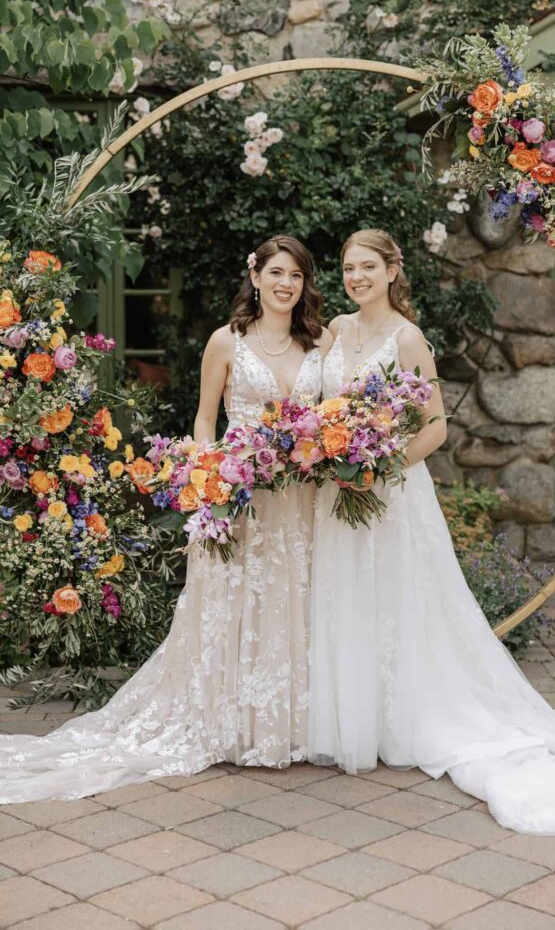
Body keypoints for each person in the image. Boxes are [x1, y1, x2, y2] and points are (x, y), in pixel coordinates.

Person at [307, 227, 555, 836]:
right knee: (344, 592)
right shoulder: (337, 331)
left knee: (397, 597)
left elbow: (436, 427)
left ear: (393, 270)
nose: (356, 277)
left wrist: (378, 466)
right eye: (347, 268)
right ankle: (351, 716)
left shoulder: (408, 338)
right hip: (337, 488)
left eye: (367, 266)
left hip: (388, 490)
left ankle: (405, 716)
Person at [0, 234, 330, 802]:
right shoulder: (226, 342)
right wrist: (211, 477)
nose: (285, 285)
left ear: (305, 285)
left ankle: (289, 727)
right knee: (233, 602)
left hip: (301, 498)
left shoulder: (321, 343)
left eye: (296, 276)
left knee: (291, 600)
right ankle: (226, 725)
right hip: (238, 494)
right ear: (255, 277)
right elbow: (205, 420)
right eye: (276, 273)